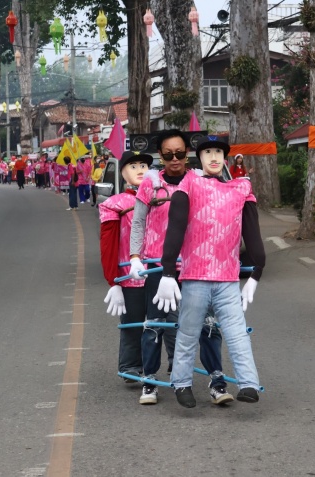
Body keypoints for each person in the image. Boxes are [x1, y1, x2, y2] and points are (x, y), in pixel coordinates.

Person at [155, 139, 266, 408]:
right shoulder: (190, 184)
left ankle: (249, 383)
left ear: (225, 158)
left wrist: (257, 271)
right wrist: (168, 271)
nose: (214, 157)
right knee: (188, 333)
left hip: (228, 277)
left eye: (218, 152)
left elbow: (252, 232)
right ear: (200, 157)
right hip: (195, 276)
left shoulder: (241, 188)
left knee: (237, 333)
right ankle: (182, 383)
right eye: (208, 152)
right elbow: (176, 227)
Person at [128, 129, 233, 406]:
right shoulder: (150, 184)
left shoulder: (201, 180)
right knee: (156, 324)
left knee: (207, 325)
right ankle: (149, 382)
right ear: (159, 156)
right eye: (167, 154)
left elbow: (219, 219)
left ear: (188, 153)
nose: (174, 159)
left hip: (195, 264)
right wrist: (135, 256)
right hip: (158, 265)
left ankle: (217, 382)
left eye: (179, 153)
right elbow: (138, 222)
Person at [100, 151, 153, 382]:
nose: (140, 170)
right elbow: (108, 244)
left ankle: (168, 366)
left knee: (163, 325)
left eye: (144, 165)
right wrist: (113, 280)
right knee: (132, 324)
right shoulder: (115, 204)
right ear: (122, 173)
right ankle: (131, 366)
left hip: (160, 275)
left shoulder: (163, 198)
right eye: (133, 166)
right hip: (129, 276)